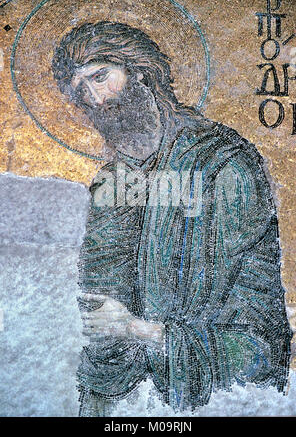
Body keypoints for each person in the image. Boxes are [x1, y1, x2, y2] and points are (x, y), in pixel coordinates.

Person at [52, 21, 293, 416]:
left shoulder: (223, 163)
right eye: (80, 90)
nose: (93, 98)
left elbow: (256, 334)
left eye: (100, 77)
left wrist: (139, 331)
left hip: (219, 396)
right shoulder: (112, 181)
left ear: (140, 72)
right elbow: (100, 300)